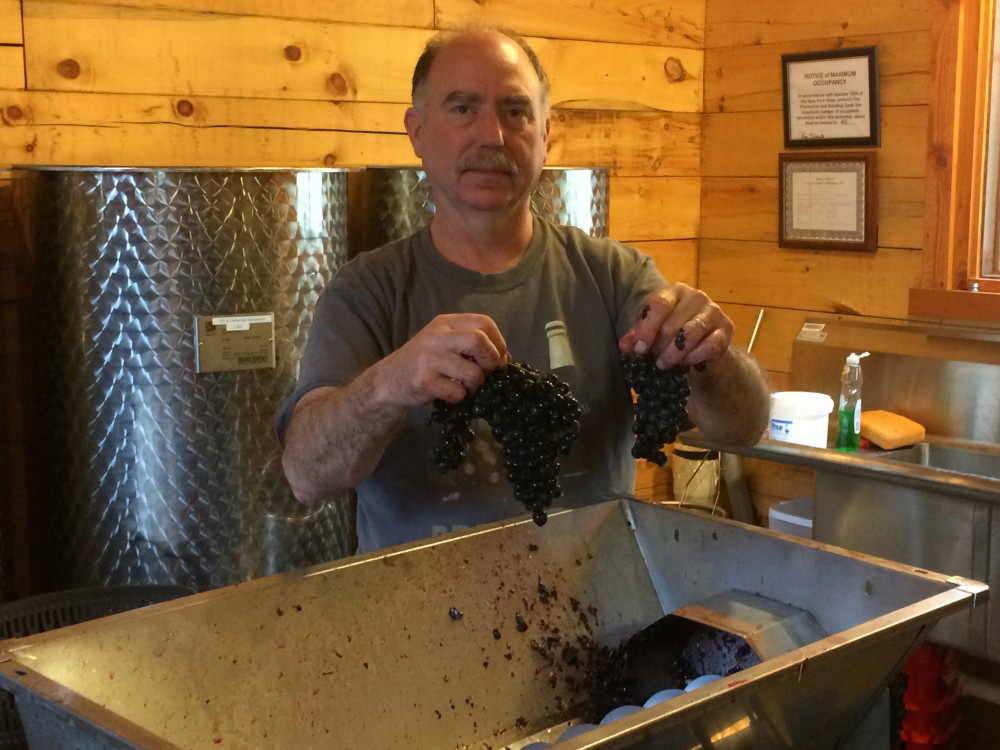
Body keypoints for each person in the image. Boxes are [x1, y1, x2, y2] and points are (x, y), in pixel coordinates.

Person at [277, 27, 770, 553]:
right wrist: (389, 384)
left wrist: (711, 357)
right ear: (417, 131)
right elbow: (307, 476)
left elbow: (744, 428)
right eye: (462, 108)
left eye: (515, 111)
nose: (491, 134)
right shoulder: (367, 291)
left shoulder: (613, 275)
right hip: (414, 600)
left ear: (545, 134)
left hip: (592, 597)